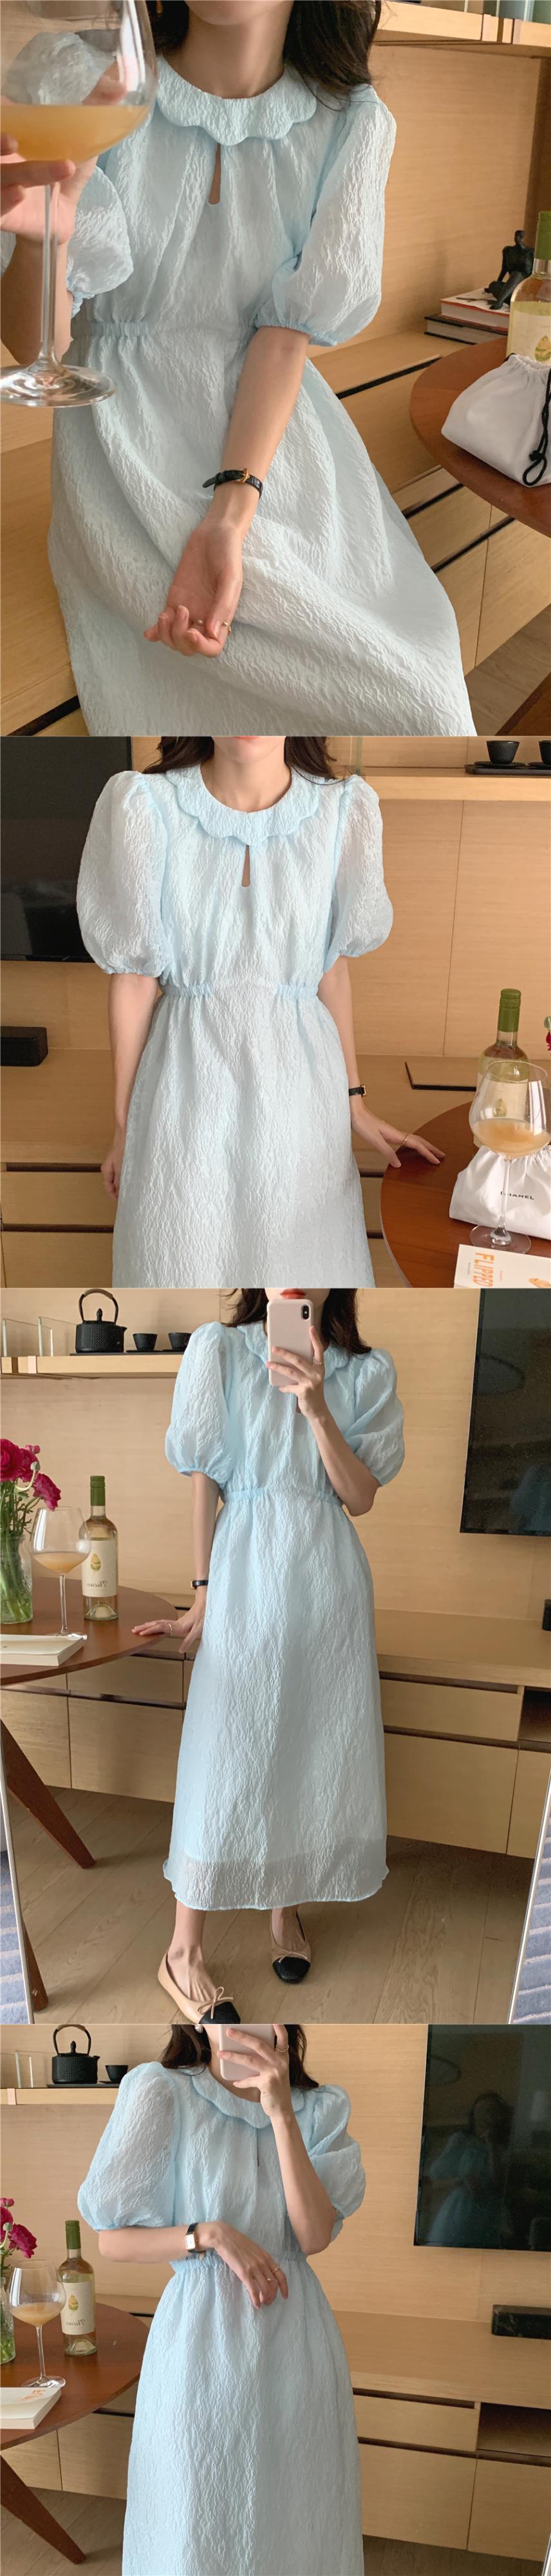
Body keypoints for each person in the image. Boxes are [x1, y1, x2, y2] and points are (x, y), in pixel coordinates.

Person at [1, 1, 473, 735]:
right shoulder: (89, 80)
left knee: (422, 691)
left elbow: (284, 337)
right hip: (126, 449)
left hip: (277, 443)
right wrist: (44, 242)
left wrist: (229, 516)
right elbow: (43, 350)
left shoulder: (349, 120)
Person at [76, 733, 443, 1286]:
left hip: (302, 1091)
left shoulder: (341, 811)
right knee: (180, 1258)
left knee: (301, 1268)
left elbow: (331, 971)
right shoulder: (146, 806)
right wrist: (125, 1127)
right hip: (184, 1086)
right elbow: (133, 979)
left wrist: (355, 1101)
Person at [133, 1290, 404, 2018]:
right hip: (245, 1573)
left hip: (328, 1582)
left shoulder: (366, 1371)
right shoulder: (218, 1351)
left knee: (307, 1744)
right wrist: (201, 1591)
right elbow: (205, 1479)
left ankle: (284, 1908)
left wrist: (317, 1407)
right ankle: (182, 1950)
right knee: (226, 1749)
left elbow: (359, 1497)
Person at [77, 2020, 366, 2576]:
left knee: (296, 2517)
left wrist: (281, 2110)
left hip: (295, 2344)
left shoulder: (319, 2108)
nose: (235, 2024)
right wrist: (206, 2234)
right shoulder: (162, 2091)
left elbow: (312, 2235)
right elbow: (110, 2239)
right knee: (194, 2518)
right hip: (197, 2347)